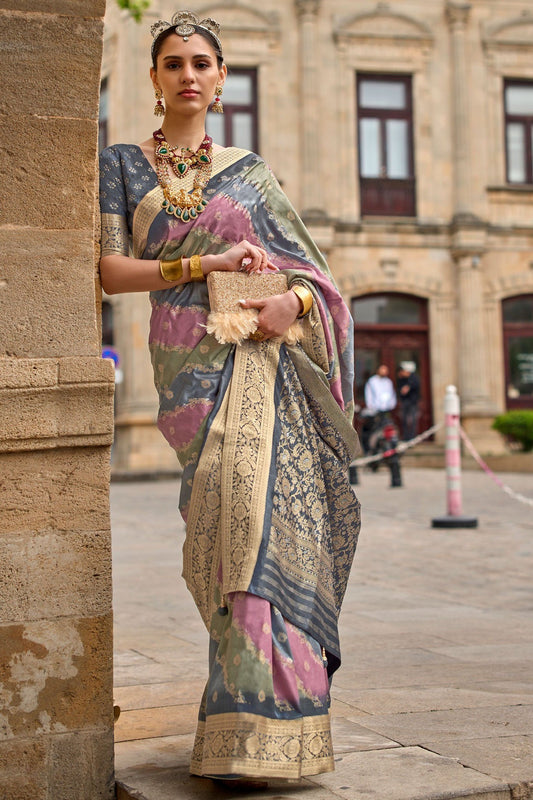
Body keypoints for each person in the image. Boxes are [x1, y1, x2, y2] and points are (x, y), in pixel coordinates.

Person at [98, 10, 361, 785]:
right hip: (184, 371)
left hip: (256, 363)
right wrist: (202, 264)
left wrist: (296, 307)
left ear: (220, 79)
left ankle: (270, 724)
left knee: (258, 520)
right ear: (153, 79)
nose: (187, 74)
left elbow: (316, 276)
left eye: (201, 63)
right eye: (173, 62)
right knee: (216, 530)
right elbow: (111, 274)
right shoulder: (121, 163)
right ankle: (238, 716)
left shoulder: (250, 171)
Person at [361, 364, 396, 453]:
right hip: (375, 410)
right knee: (371, 429)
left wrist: (391, 405)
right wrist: (372, 406)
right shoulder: (372, 381)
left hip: (386, 410)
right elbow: (369, 395)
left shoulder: (388, 382)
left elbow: (391, 394)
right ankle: (369, 449)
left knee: (387, 428)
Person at [397, 361, 420, 441]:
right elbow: (400, 390)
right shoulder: (402, 379)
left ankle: (412, 438)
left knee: (412, 421)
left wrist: (408, 387)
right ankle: (406, 437)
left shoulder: (414, 379)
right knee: (404, 421)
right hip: (405, 403)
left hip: (412, 403)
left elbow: (415, 386)